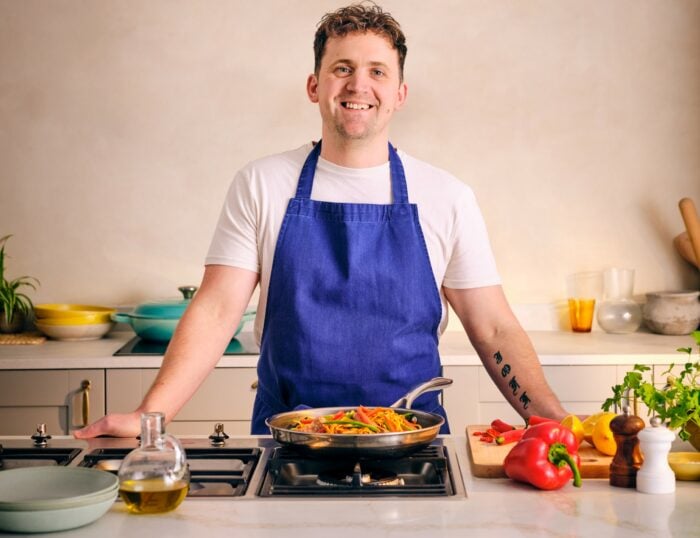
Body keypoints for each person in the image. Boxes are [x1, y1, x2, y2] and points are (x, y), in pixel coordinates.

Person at [75, 2, 566, 439]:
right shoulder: (262, 183)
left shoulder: (447, 196)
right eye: (342, 68)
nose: (359, 85)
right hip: (288, 436)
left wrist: (551, 420)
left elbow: (495, 329)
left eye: (377, 71)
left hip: (410, 440)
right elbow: (217, 309)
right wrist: (150, 416)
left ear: (400, 93)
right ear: (315, 86)